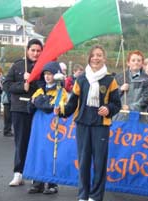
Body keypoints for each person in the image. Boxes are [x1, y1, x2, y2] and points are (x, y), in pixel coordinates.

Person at [54, 45, 121, 201]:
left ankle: (96, 196)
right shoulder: (81, 79)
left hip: (101, 126)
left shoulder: (110, 80)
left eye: (99, 55)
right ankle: (83, 195)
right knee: (83, 162)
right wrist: (62, 111)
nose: (96, 58)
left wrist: (108, 109)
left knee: (99, 163)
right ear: (89, 58)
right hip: (83, 124)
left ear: (104, 58)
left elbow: (116, 104)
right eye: (93, 55)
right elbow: (72, 103)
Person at [3, 38, 43, 186]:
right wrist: (22, 85)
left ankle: (35, 175)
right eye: (33, 50)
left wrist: (32, 79)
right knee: (21, 142)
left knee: (37, 142)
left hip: (38, 110)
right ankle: (18, 173)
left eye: (38, 51)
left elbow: (47, 86)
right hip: (19, 109)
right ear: (27, 50)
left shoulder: (45, 67)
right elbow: (7, 85)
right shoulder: (18, 65)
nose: (35, 53)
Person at [27, 61, 68, 194]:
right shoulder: (39, 90)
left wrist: (39, 101)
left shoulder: (62, 92)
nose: (47, 77)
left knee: (51, 153)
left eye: (50, 74)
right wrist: (40, 102)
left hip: (53, 126)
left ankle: (52, 184)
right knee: (38, 151)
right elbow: (30, 107)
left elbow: (50, 108)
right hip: (38, 126)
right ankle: (37, 182)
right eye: (45, 74)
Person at [113, 50, 148, 122]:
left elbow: (145, 100)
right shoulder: (119, 77)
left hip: (138, 119)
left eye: (138, 60)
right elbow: (112, 96)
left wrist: (129, 107)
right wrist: (120, 89)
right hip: (119, 118)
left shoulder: (146, 80)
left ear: (142, 64)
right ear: (128, 63)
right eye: (133, 60)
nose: (136, 62)